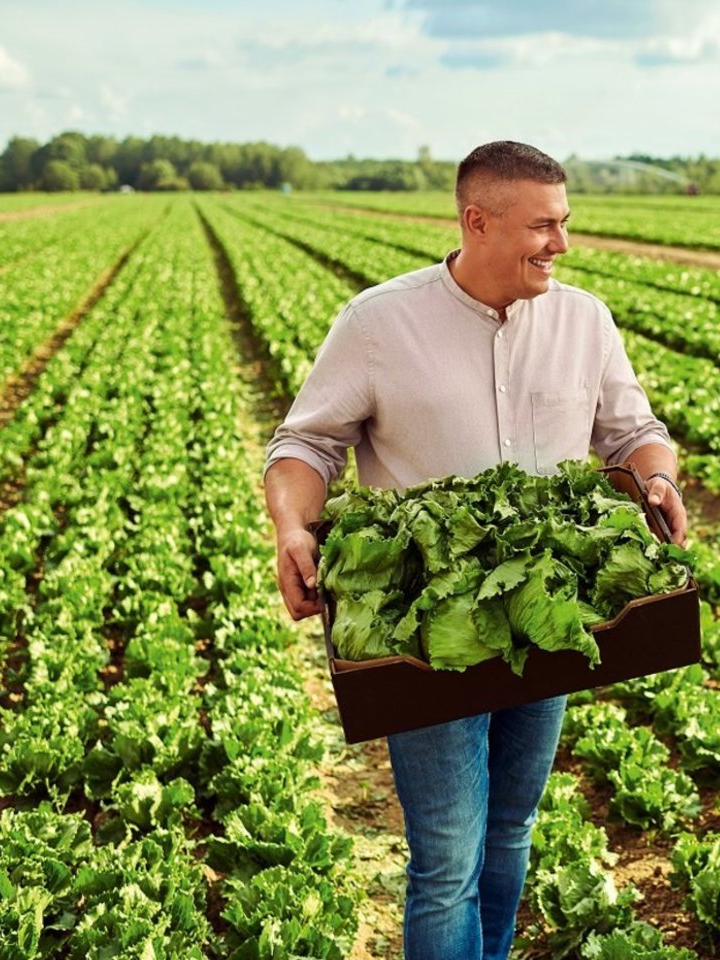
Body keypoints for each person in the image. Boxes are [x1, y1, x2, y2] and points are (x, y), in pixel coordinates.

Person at [262, 140, 686, 960]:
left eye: (565, 223)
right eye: (543, 226)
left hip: (547, 613)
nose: (562, 244)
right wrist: (292, 528)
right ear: (477, 221)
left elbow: (634, 432)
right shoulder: (379, 323)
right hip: (430, 632)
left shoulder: (584, 320)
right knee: (448, 859)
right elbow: (305, 446)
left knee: (511, 830)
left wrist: (657, 479)